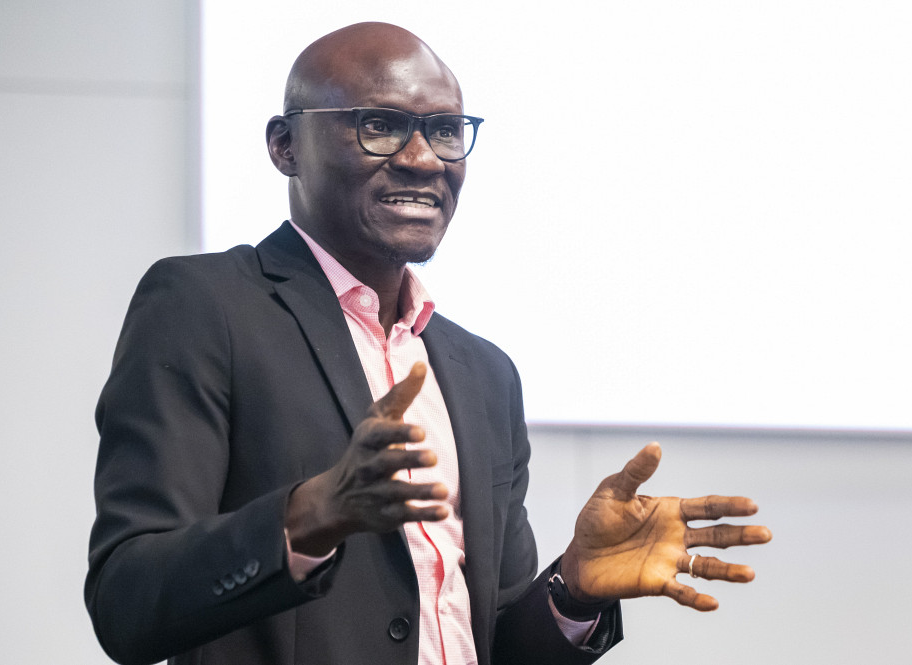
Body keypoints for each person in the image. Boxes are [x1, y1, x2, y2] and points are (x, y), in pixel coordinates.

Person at [86, 21, 771, 665]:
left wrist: (574, 591)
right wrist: (312, 515)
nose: (422, 159)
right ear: (285, 145)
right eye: (381, 125)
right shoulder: (205, 307)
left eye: (445, 131)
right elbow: (127, 601)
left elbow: (494, 642)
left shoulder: (484, 373)